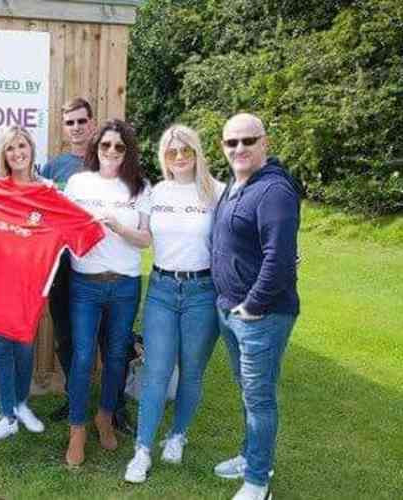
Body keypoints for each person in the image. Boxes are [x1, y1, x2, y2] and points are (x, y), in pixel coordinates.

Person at [0, 125, 104, 446]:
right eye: (10, 149)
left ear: (31, 150)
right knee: (2, 348)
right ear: (4, 155)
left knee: (25, 347)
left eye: (21, 146)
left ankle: (21, 402)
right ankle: (7, 417)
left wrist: (99, 222)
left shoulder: (48, 194)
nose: (17, 153)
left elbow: (83, 226)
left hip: (28, 287)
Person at [124, 124, 224, 483]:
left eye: (186, 150)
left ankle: (178, 435)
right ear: (163, 157)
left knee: (193, 371)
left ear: (197, 153)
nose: (179, 157)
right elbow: (143, 236)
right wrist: (114, 228)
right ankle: (142, 450)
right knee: (156, 370)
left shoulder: (217, 192)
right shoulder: (156, 191)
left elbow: (239, 235)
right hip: (163, 291)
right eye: (171, 152)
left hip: (202, 291)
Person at [211, 113, 301, 500]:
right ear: (223, 146)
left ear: (265, 142)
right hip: (231, 310)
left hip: (259, 315)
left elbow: (279, 259)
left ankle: (258, 480)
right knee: (247, 390)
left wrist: (253, 306)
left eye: (248, 141)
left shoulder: (275, 191)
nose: (239, 149)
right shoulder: (236, 184)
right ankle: (250, 457)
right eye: (232, 143)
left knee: (259, 397)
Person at [41, 98, 134, 434]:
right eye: (70, 123)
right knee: (67, 340)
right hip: (64, 269)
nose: (77, 128)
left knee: (115, 342)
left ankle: (116, 407)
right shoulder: (53, 169)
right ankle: (74, 398)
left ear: (92, 123)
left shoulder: (110, 166)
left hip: (108, 268)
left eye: (82, 121)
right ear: (64, 129)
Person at [63, 119, 153, 466]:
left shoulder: (140, 188)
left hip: (125, 284)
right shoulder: (78, 182)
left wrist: (117, 226)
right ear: (95, 148)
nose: (112, 151)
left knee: (117, 356)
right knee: (83, 357)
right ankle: (77, 430)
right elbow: (63, 226)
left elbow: (146, 240)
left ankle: (105, 415)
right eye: (105, 145)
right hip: (85, 283)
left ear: (127, 150)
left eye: (119, 146)